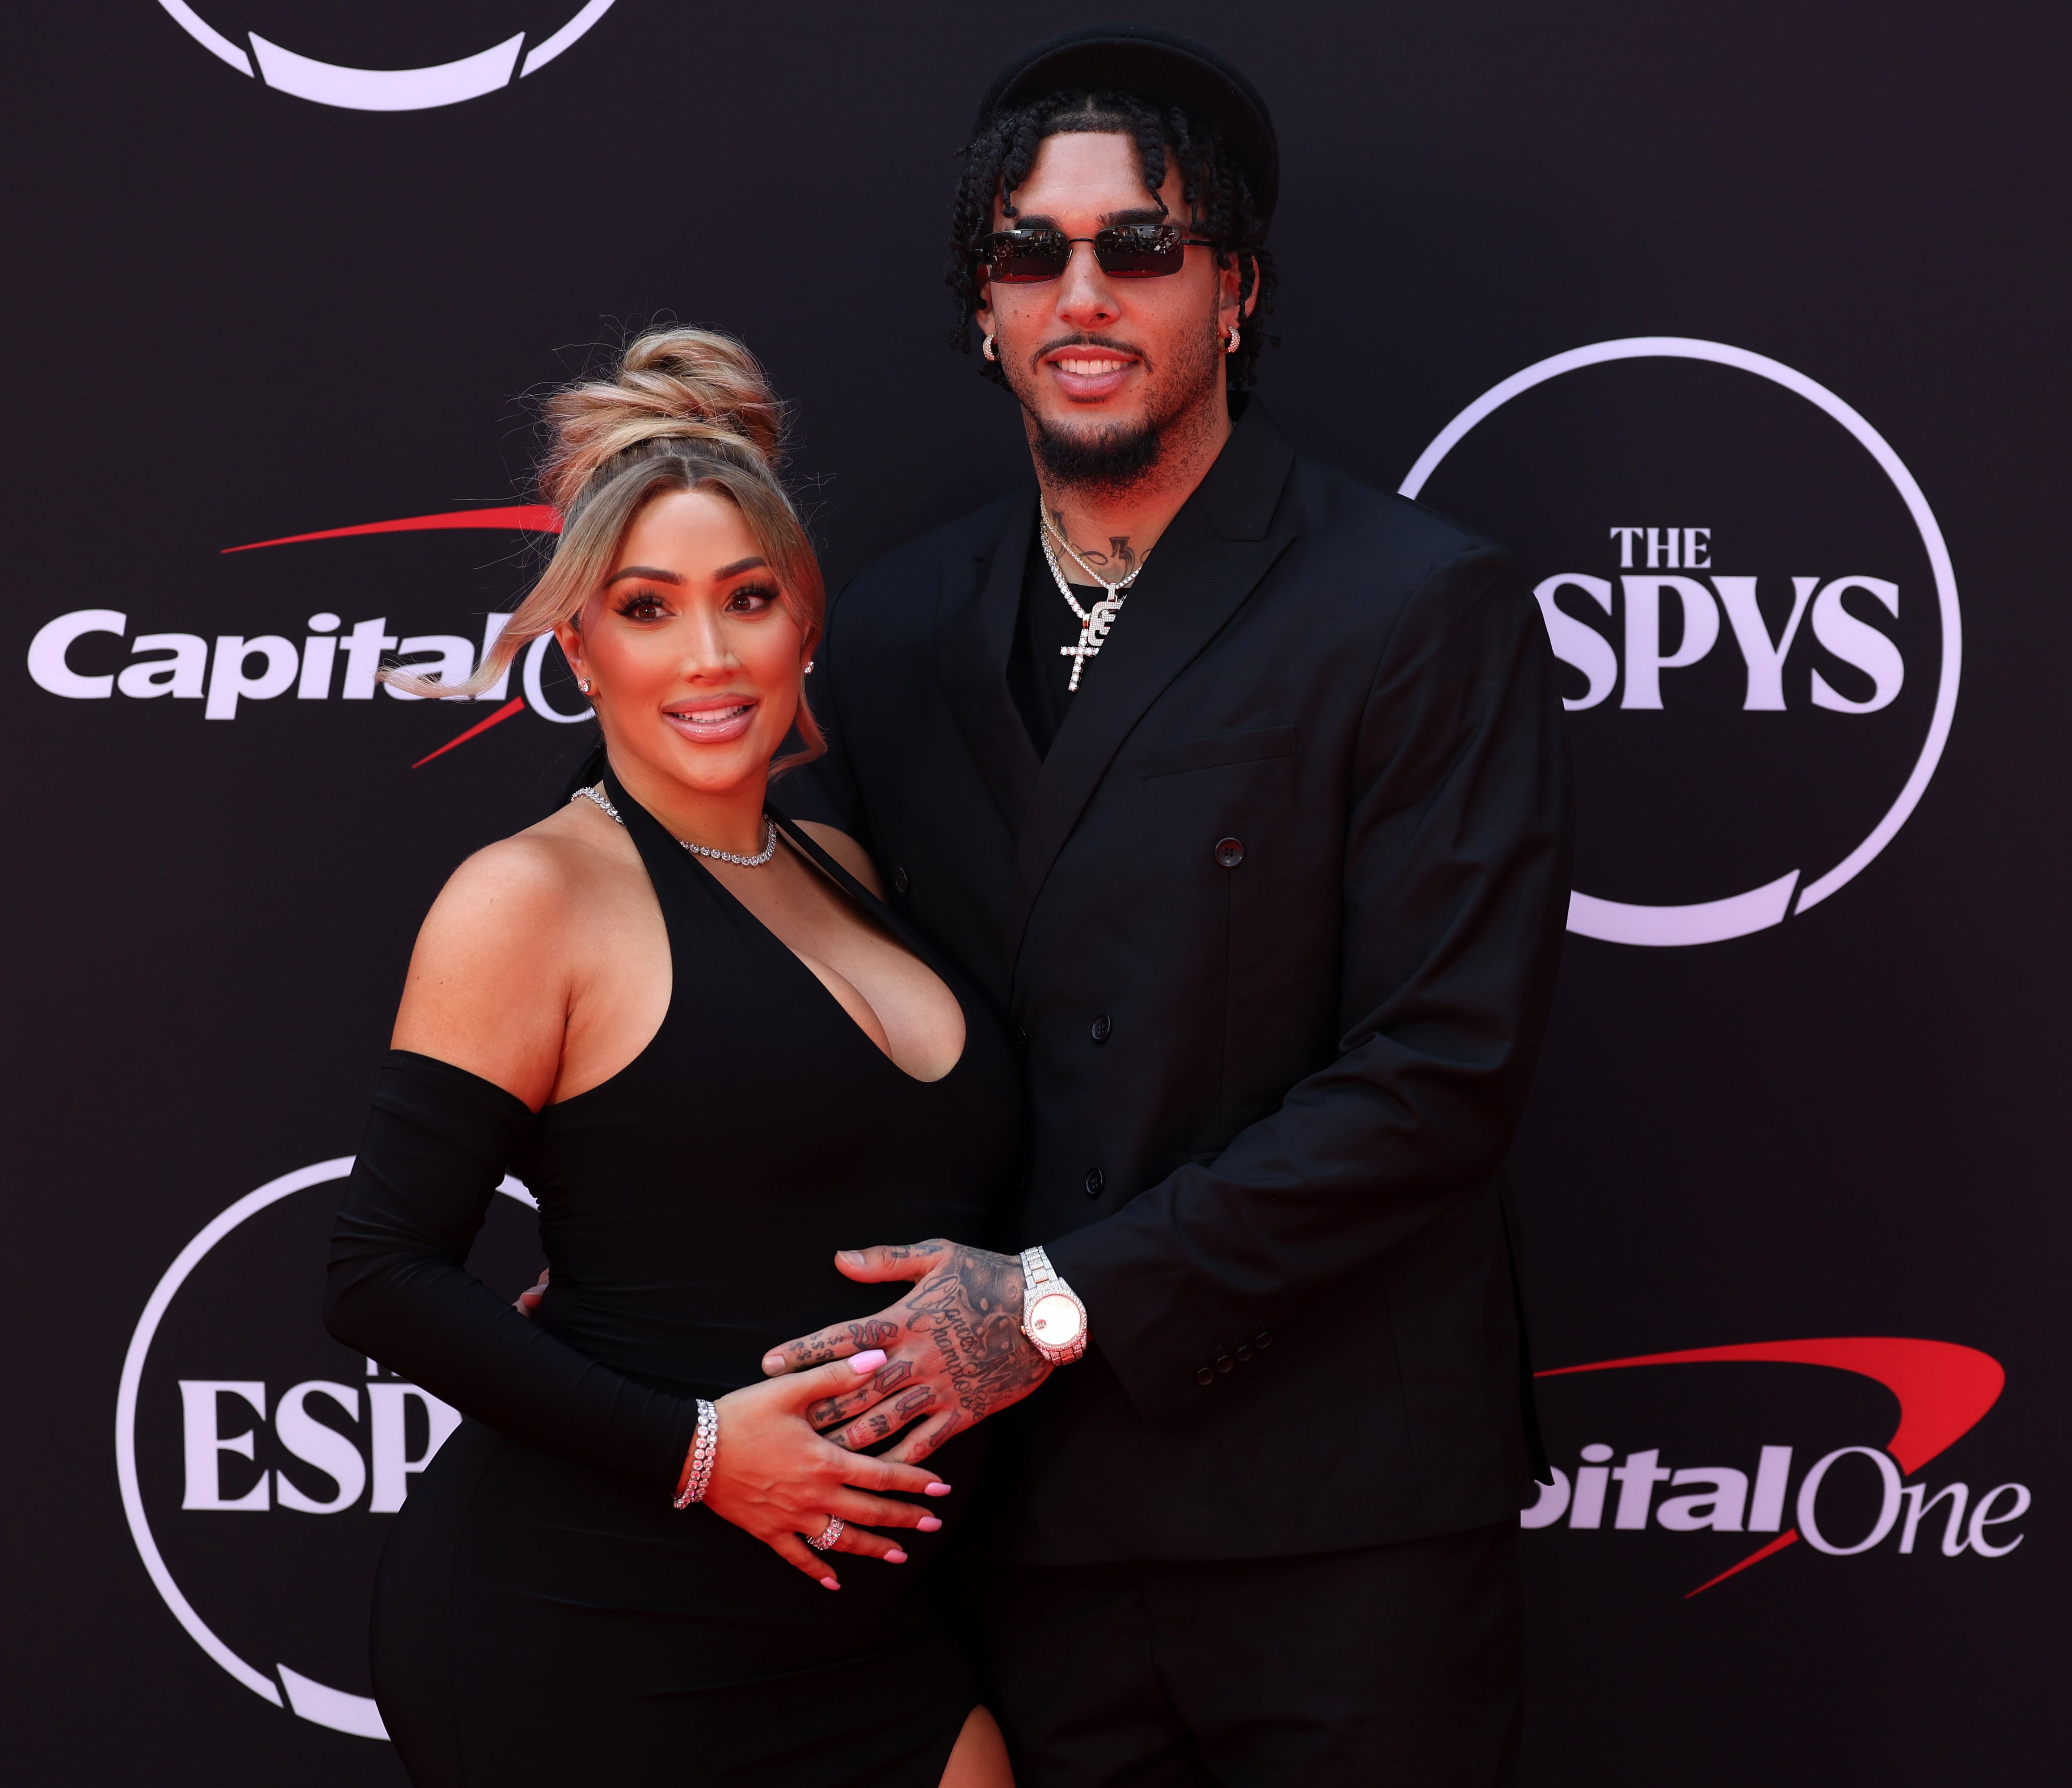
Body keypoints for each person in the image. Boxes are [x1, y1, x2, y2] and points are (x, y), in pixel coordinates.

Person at [759, 26, 1574, 1786]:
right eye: (1029, 252)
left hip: (1342, 1522)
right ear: (982, 307)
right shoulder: (892, 633)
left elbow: (1439, 1071)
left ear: (1239, 291)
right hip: (1016, 1528)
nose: (1084, 292)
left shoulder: (1418, 608)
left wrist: (1048, 1307)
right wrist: (632, 1262)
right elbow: (815, 1019)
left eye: (1142, 245)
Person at [323, 327, 1019, 1787]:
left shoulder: (843, 864)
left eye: (747, 600)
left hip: (868, 1626)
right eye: (649, 608)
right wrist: (699, 1447)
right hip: (603, 1622)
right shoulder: (530, 898)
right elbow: (378, 1274)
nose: (707, 657)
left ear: (802, 623)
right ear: (580, 646)